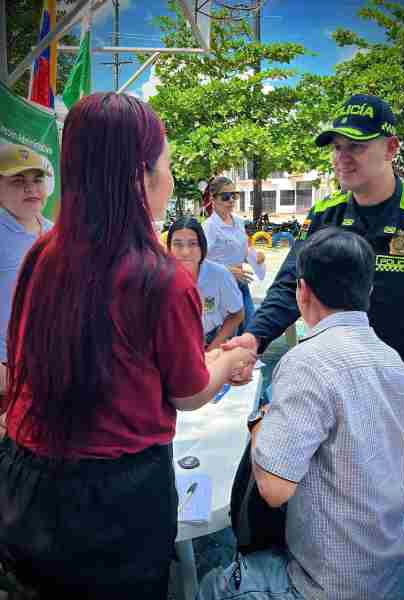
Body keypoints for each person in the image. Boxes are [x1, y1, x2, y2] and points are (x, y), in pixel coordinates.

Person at [0, 93, 254, 600]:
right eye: (167, 165)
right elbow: (188, 393)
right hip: (114, 503)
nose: (171, 179)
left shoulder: (42, 256)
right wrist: (230, 360)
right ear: (141, 176)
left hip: (27, 487)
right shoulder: (160, 277)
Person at [198, 227, 404, 600]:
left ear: (302, 292)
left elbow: (274, 489)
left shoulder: (305, 363)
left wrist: (261, 421)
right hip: (386, 573)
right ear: (369, 291)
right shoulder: (391, 359)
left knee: (211, 585)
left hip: (321, 585)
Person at [226, 93, 404, 445]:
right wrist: (255, 337)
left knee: (399, 473)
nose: (342, 157)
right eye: (337, 147)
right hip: (332, 377)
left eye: (356, 146)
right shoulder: (326, 215)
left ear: (390, 148)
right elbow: (291, 285)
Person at [0, 144, 53, 397]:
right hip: (6, 371)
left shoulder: (56, 232)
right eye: (18, 180)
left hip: (46, 369)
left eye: (37, 179)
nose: (31, 188)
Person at [167, 216, 244, 350]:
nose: (185, 252)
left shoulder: (220, 274)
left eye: (193, 244)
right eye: (178, 244)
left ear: (202, 247)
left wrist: (212, 349)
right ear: (169, 248)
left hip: (211, 341)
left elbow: (237, 314)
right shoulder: (161, 278)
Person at [202, 176, 264, 333]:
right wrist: (227, 270)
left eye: (234, 195)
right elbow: (199, 261)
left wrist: (255, 256)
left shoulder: (239, 222)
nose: (231, 200)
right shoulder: (209, 227)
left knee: (250, 331)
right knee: (225, 336)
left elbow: (242, 249)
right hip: (218, 289)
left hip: (240, 284)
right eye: (225, 196)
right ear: (213, 199)